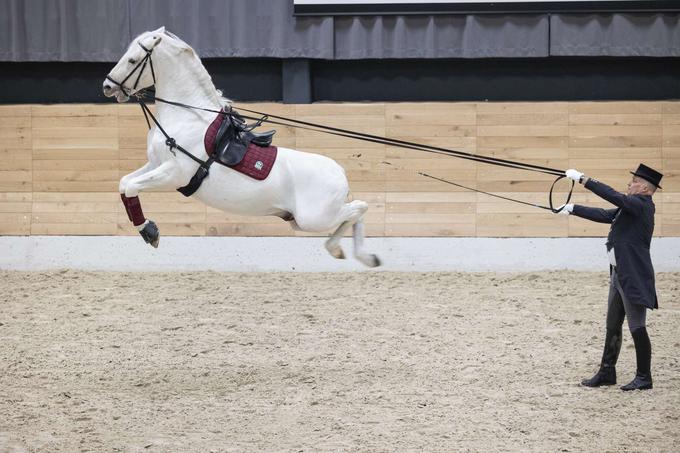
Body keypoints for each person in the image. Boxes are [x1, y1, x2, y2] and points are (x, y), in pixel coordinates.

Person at [557, 163, 663, 391]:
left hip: (633, 275)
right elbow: (606, 215)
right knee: (612, 323)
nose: (629, 184)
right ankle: (607, 371)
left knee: (637, 325)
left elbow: (613, 196)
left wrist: (584, 179)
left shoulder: (641, 205)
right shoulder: (631, 207)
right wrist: (573, 208)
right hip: (619, 273)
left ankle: (644, 377)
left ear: (645, 188)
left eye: (633, 181)